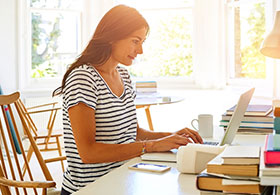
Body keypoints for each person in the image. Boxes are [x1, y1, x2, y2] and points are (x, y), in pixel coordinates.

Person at [53, 4, 203, 194]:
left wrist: (171, 137)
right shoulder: (83, 78)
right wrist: (151, 146)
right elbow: (88, 153)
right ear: (112, 38)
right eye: (135, 41)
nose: (140, 50)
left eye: (142, 42)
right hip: (91, 188)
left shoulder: (123, 75)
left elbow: (133, 131)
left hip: (125, 177)